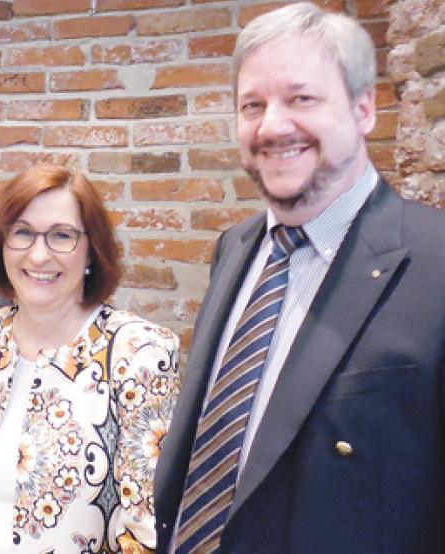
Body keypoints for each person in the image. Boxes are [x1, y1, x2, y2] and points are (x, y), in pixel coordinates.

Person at [154, 4, 445, 553]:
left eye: (301, 99)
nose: (272, 126)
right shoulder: (235, 248)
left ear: (364, 109)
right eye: (252, 105)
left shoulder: (436, 266)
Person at [0, 164, 181, 553]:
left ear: (91, 249)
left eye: (61, 236)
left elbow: (146, 530)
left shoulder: (138, 353)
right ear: (1, 244)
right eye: (22, 233)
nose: (38, 254)